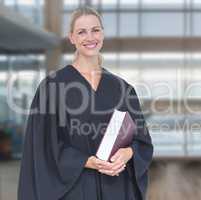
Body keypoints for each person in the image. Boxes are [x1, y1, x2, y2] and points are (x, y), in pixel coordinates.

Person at [18, 6, 153, 200]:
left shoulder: (122, 88)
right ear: (72, 38)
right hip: (74, 189)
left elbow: (142, 140)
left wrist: (128, 153)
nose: (90, 37)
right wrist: (86, 161)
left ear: (103, 34)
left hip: (116, 187)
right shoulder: (52, 87)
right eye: (82, 32)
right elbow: (43, 146)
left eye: (95, 30)